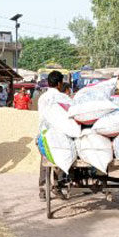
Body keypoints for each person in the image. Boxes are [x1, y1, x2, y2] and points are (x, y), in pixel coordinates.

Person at [38, 71, 72, 201]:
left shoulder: (42, 98)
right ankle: (57, 186)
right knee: (63, 157)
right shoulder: (63, 98)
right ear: (59, 83)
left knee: (45, 161)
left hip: (44, 134)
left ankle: (42, 189)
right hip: (60, 135)